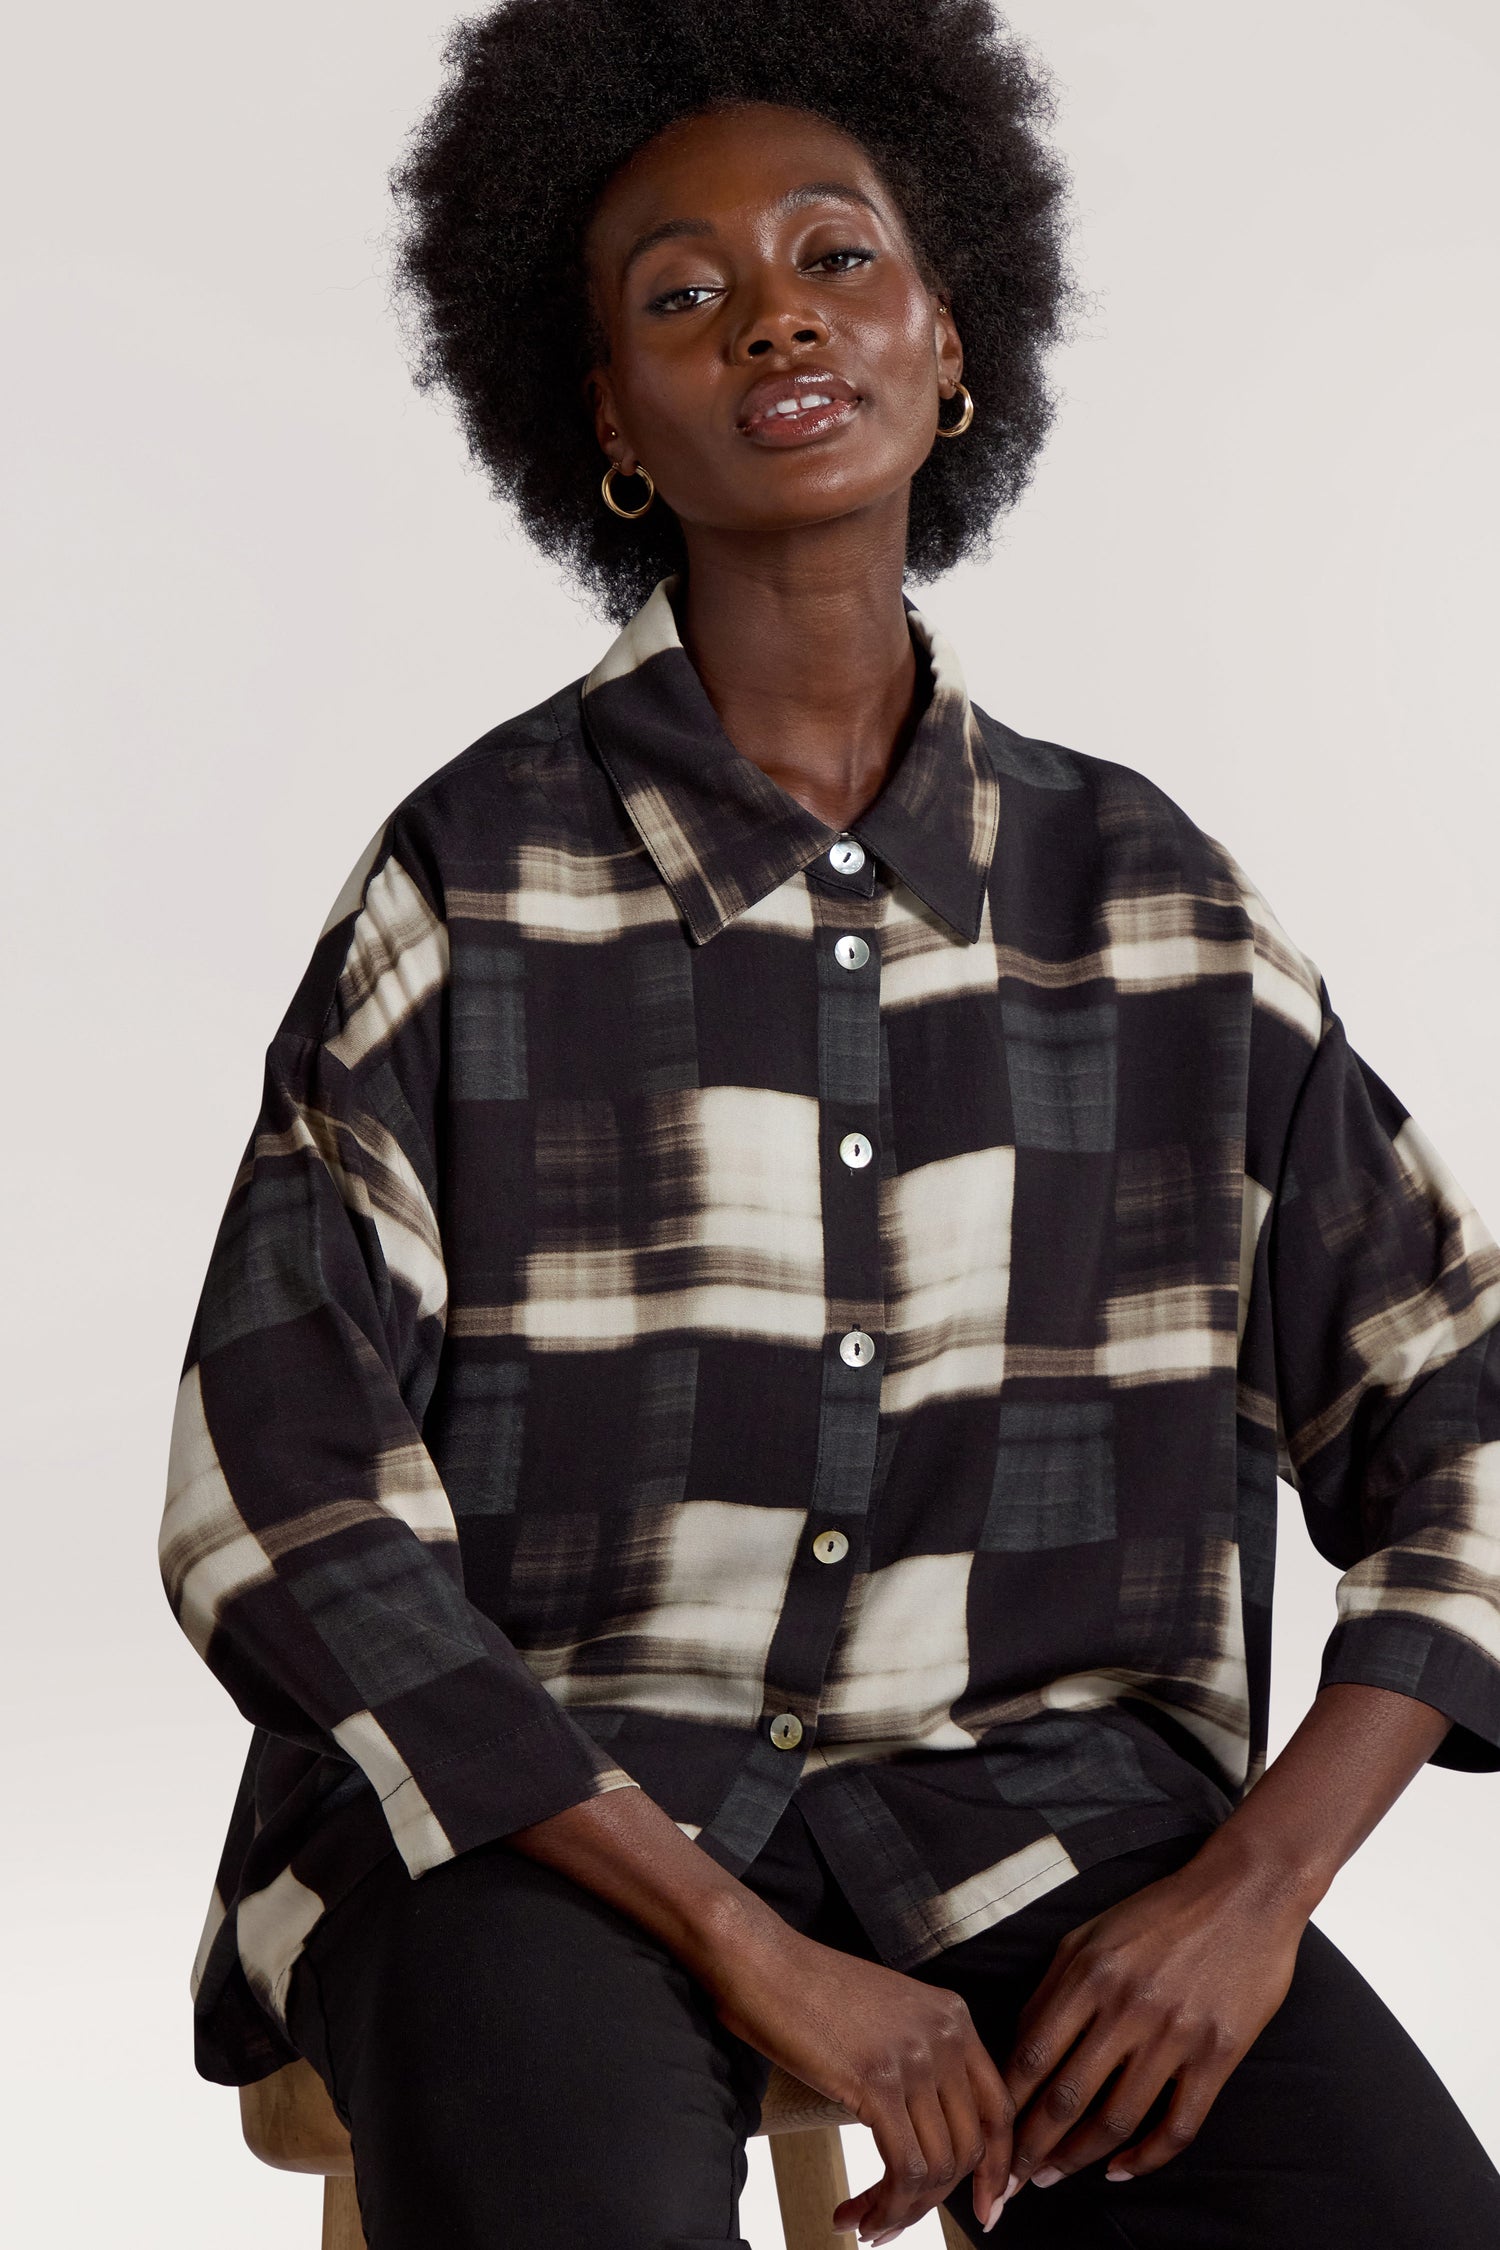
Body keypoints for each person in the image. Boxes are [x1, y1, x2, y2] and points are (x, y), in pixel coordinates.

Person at [157, 1, 1500, 2243]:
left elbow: (1460, 1407)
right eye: (683, 294)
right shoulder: (468, 882)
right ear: (607, 415)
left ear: (946, 335)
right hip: (545, 1827)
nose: (772, 311)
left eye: (833, 257)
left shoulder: (1151, 903)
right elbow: (274, 1503)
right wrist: (751, 1944)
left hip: (1043, 1823)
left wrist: (1256, 1885)